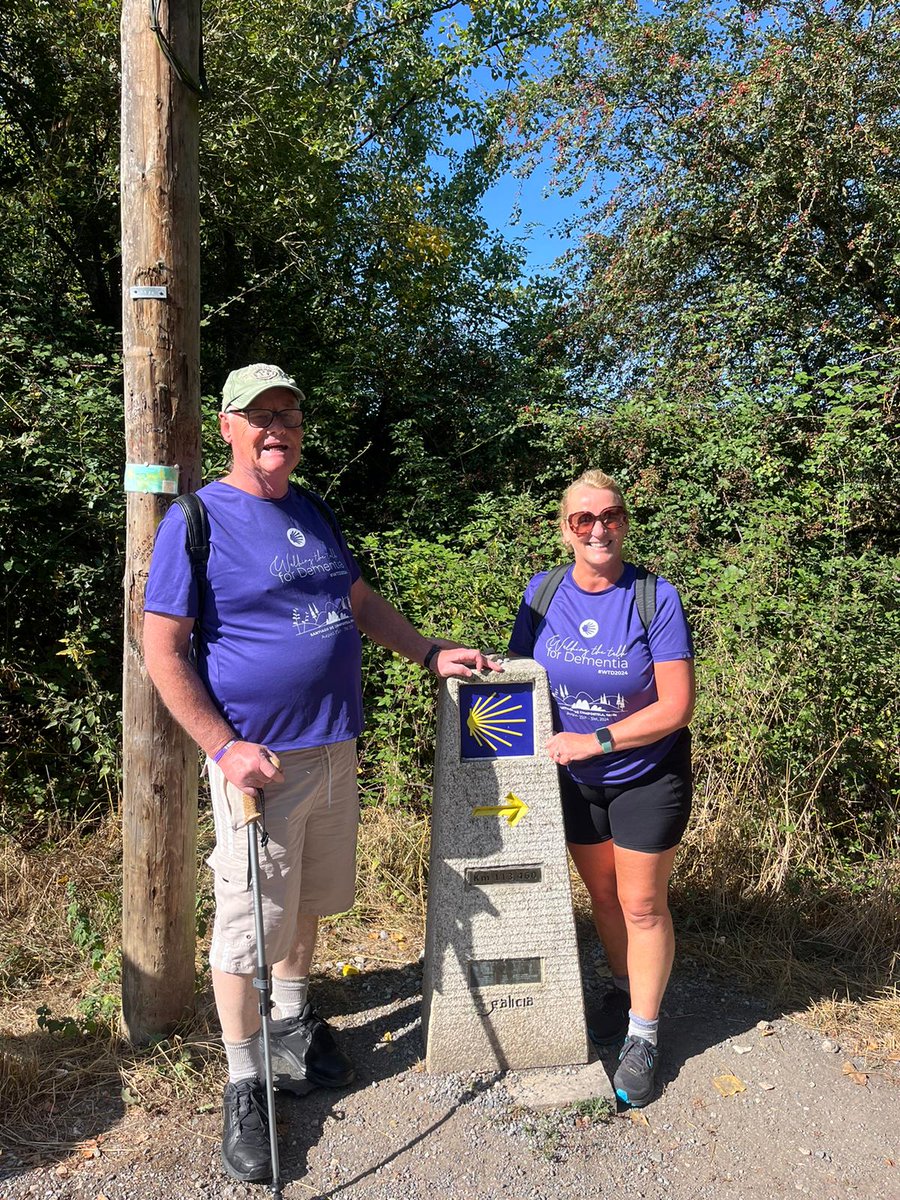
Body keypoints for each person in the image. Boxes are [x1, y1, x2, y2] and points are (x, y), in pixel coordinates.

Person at [143, 363, 499, 1182]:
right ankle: (243, 1082)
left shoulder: (313, 511)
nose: (279, 429)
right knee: (247, 925)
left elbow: (359, 603)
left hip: (336, 745)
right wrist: (224, 748)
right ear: (227, 426)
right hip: (257, 767)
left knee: (307, 900)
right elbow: (162, 649)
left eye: (291, 417)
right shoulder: (196, 521)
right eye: (262, 416)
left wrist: (429, 651)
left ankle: (294, 1025)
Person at [508, 469, 694, 1108]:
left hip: (646, 774)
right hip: (573, 780)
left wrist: (599, 740)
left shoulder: (655, 598)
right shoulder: (543, 591)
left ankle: (644, 1035)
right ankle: (622, 987)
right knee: (605, 897)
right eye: (583, 519)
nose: (597, 528)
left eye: (609, 515)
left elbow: (675, 707)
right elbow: (519, 680)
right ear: (565, 528)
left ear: (624, 521)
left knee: (642, 904)